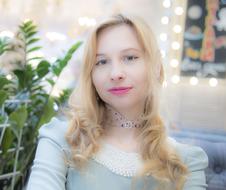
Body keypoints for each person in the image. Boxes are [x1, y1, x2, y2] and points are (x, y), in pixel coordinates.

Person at [27, 14, 208, 190]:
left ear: (156, 68)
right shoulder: (60, 139)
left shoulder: (186, 162)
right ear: (91, 75)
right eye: (102, 62)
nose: (115, 73)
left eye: (130, 58)